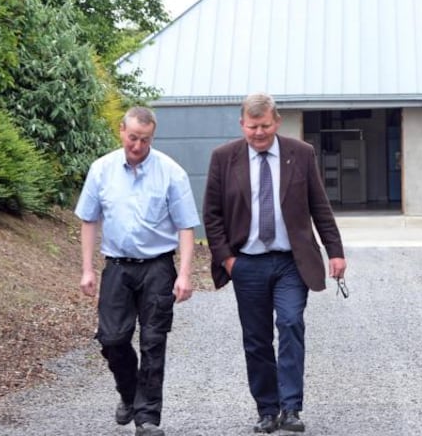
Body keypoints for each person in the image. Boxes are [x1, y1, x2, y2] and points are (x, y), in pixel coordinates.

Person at [203, 92, 347, 434]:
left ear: (277, 122)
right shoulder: (224, 158)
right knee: (256, 338)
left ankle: (291, 407)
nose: (258, 133)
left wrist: (335, 250)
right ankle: (267, 409)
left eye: (265, 126)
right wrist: (227, 260)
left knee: (291, 322)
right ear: (242, 124)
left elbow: (319, 206)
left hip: (290, 262)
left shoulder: (301, 154)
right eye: (252, 127)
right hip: (247, 264)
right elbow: (212, 214)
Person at [76, 106, 200, 436]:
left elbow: (186, 226)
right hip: (117, 266)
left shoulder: (171, 173)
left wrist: (185, 274)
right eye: (132, 138)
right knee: (112, 339)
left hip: (158, 268)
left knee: (153, 342)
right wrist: (87, 269)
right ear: (121, 132)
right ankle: (129, 394)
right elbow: (89, 219)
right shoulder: (101, 170)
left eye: (145, 140)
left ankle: (147, 418)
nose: (137, 146)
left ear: (152, 137)